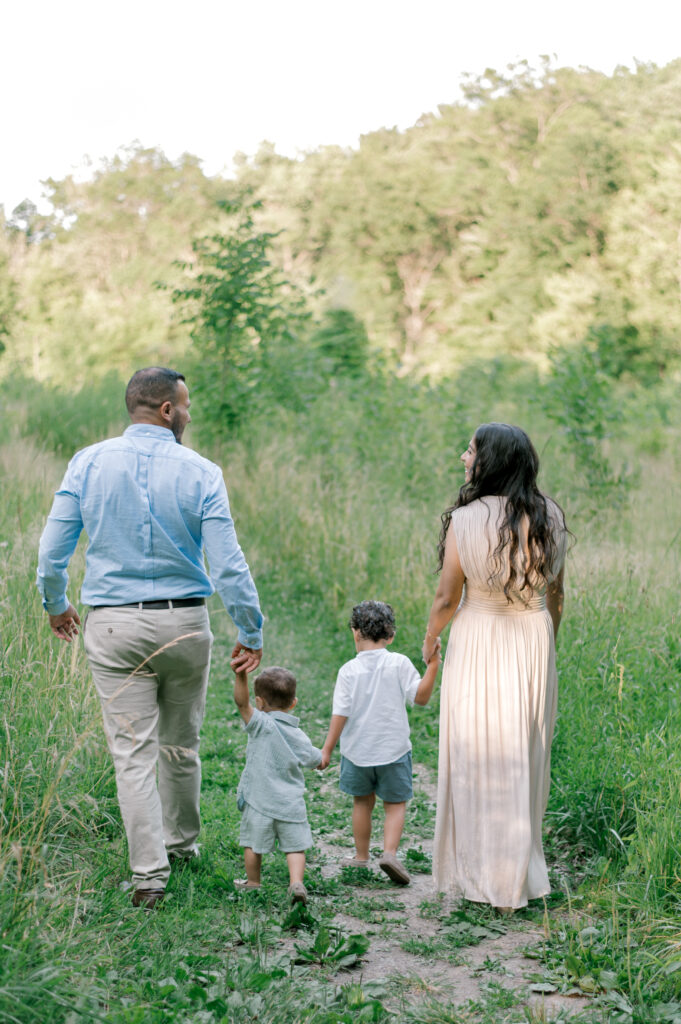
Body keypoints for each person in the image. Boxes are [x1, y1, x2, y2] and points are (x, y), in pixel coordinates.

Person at [36, 366, 263, 909]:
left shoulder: (88, 462)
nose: (188, 414)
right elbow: (228, 565)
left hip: (112, 625)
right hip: (184, 624)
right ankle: (182, 847)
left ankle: (148, 877)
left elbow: (51, 554)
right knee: (181, 742)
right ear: (166, 410)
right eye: (185, 406)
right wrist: (250, 630)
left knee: (131, 753)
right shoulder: (203, 472)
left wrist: (55, 603)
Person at [422, 422, 568, 911]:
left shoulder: (467, 520)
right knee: (523, 754)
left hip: (480, 635)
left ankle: (482, 873)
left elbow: (447, 596)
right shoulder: (551, 515)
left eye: (470, 450)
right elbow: (557, 597)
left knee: (476, 750)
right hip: (532, 637)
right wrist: (546, 644)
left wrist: (430, 638)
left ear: (491, 462)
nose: (464, 457)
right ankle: (518, 873)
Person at [320, 600, 441, 885]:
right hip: (394, 751)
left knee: (362, 803)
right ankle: (389, 853)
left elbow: (341, 714)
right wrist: (433, 665)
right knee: (395, 804)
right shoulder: (398, 662)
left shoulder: (348, 671)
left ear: (355, 632)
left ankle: (361, 856)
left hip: (357, 753)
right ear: (391, 637)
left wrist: (327, 749)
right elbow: (421, 697)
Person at [232, 664, 322, 904]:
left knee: (252, 844)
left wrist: (241, 675)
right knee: (295, 847)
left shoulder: (260, 724)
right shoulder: (299, 735)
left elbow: (242, 704)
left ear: (260, 702)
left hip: (259, 800)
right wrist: (322, 760)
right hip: (290, 804)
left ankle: (252, 883)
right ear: (293, 703)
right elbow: (315, 759)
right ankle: (296, 883)